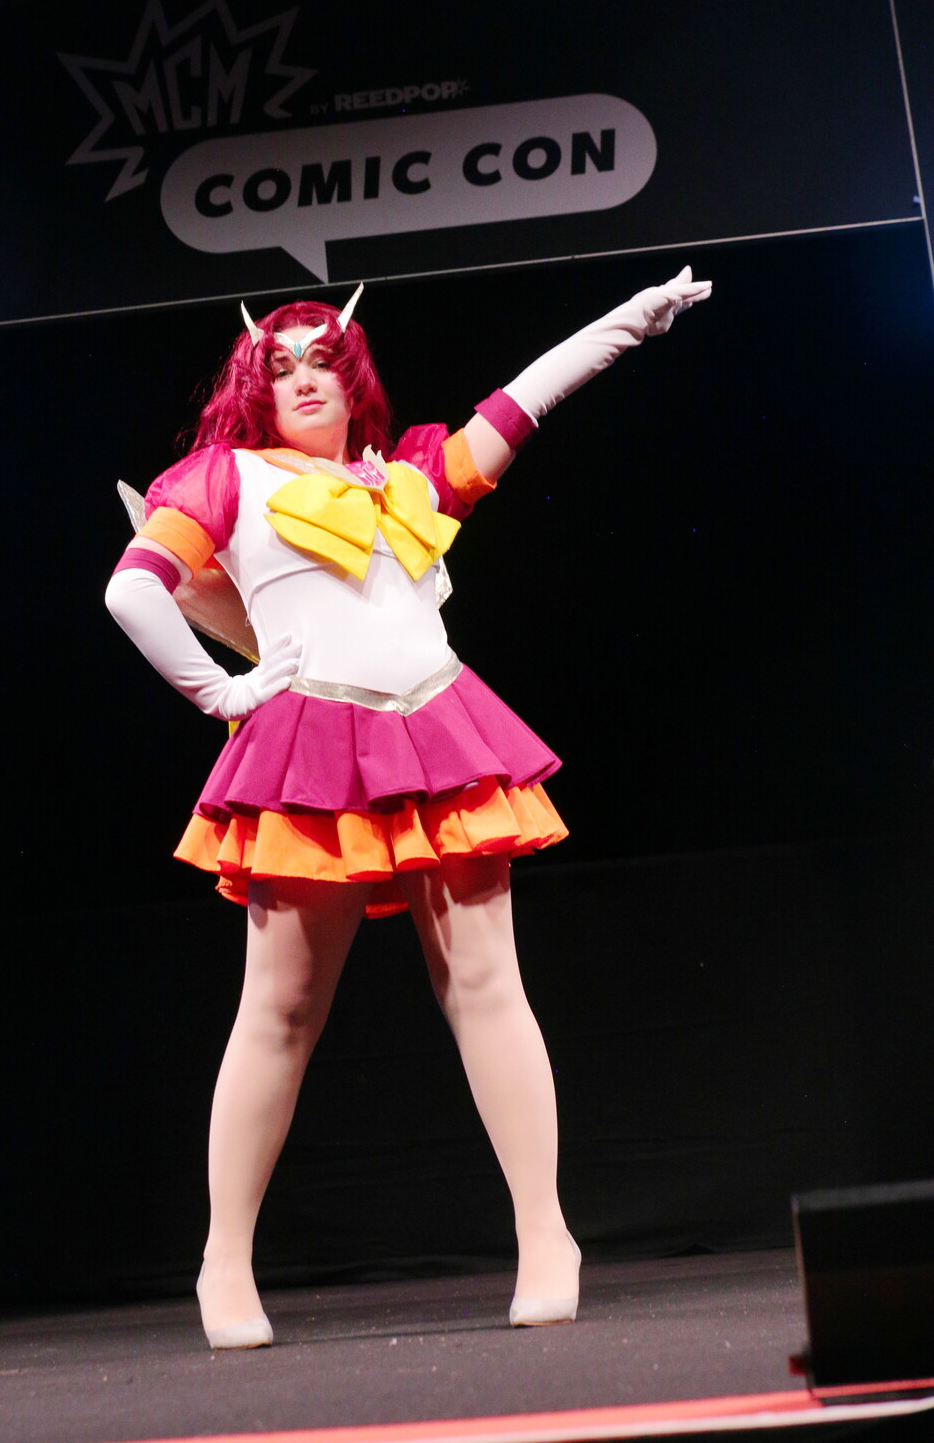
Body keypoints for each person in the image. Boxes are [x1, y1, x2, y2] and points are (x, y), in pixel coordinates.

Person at [105, 267, 712, 1349]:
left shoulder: (412, 476)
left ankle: (546, 1235)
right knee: (281, 1009)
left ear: (354, 381)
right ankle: (224, 1262)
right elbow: (132, 586)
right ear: (254, 386)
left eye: (322, 361)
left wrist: (627, 323)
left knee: (488, 985)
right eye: (279, 365)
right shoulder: (224, 477)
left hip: (439, 730)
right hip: (310, 747)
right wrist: (221, 692)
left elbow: (520, 403)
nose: (303, 378)